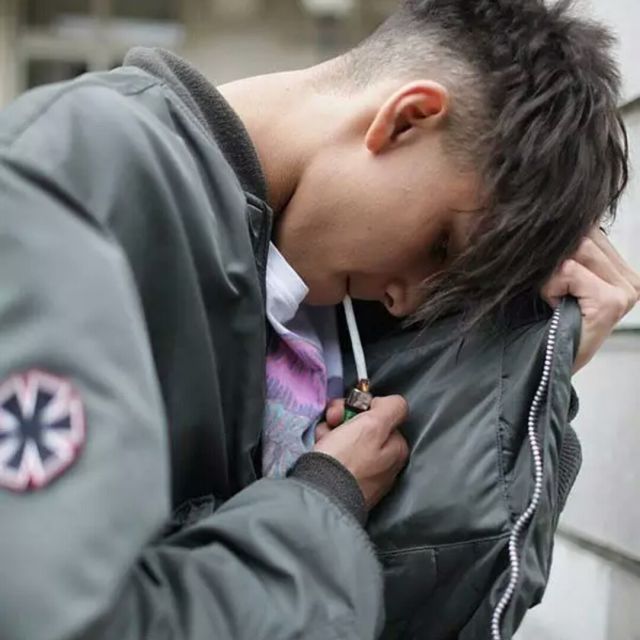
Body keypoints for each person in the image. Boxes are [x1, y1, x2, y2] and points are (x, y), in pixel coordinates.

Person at [0, 1, 637, 639]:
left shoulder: (329, 302)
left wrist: (528, 364)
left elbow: (417, 610)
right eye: (440, 247)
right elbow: (65, 620)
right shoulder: (75, 178)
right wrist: (326, 496)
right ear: (406, 119)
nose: (406, 300)